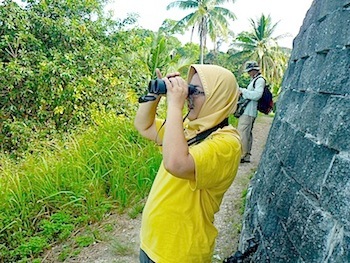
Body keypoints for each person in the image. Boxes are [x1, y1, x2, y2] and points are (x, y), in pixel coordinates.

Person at [134, 64, 242, 263]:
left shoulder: (227, 143)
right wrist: (155, 94)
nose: (188, 96)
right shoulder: (190, 128)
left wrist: (174, 106)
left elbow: (176, 163)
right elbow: (144, 126)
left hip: (181, 252)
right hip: (154, 243)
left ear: (218, 97)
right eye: (188, 89)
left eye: (196, 92)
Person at [237, 61, 265, 163]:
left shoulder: (259, 81)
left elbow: (257, 95)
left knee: (243, 133)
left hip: (249, 111)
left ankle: (242, 155)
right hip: (249, 111)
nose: (249, 73)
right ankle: (246, 155)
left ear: (253, 71)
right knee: (247, 134)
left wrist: (243, 91)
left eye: (249, 71)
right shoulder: (255, 80)